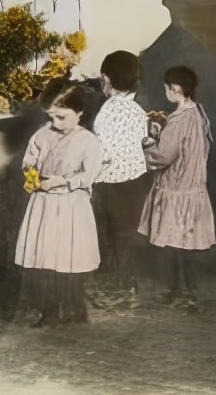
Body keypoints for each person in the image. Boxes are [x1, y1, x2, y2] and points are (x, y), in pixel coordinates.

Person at [15, 78, 103, 327]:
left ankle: (74, 309)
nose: (55, 123)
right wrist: (34, 178)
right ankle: (48, 309)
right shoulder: (42, 135)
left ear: (79, 112)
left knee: (70, 257)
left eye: (61, 117)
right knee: (46, 258)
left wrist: (63, 182)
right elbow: (29, 163)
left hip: (71, 206)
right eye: (52, 117)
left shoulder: (87, 141)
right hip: (44, 204)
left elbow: (89, 174)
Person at [138, 65, 215, 305]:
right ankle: (190, 291)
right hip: (194, 185)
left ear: (175, 89)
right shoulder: (199, 112)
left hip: (176, 187)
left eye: (168, 88)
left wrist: (148, 142)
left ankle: (175, 290)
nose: (166, 92)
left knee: (170, 243)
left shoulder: (179, 119)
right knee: (189, 243)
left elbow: (163, 155)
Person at [91, 50, 149, 293]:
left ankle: (111, 283)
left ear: (108, 79)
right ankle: (127, 282)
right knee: (125, 236)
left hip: (110, 183)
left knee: (106, 235)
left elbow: (103, 151)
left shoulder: (107, 110)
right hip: (135, 182)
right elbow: (143, 141)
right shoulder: (137, 110)